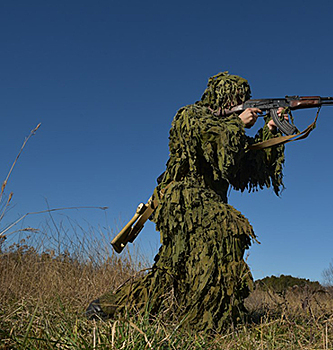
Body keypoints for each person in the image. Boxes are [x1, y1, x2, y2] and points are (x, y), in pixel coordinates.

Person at [87, 72, 285, 332]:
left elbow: (244, 170)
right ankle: (201, 323)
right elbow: (213, 146)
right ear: (221, 96)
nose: (241, 103)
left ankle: (115, 309)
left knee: (172, 274)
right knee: (227, 229)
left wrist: (269, 130)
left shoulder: (229, 127)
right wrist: (237, 124)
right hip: (182, 198)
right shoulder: (191, 115)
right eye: (236, 99)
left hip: (209, 202)